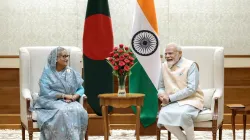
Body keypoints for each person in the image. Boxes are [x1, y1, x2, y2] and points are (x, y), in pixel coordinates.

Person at [33, 47, 88, 140]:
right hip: (50, 100)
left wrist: (75, 96)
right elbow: (45, 91)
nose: (66, 58)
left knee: (79, 110)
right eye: (63, 56)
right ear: (56, 58)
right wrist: (64, 95)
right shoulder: (48, 72)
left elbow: (81, 89)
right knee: (62, 111)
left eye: (67, 56)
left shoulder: (70, 72)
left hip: (69, 101)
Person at [157, 43, 204, 140]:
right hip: (171, 102)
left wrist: (170, 98)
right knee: (163, 115)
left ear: (180, 53)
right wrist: (161, 95)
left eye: (170, 53)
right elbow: (160, 87)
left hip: (191, 100)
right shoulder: (163, 66)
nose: (167, 56)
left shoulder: (191, 65)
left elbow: (191, 89)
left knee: (184, 114)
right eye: (166, 54)